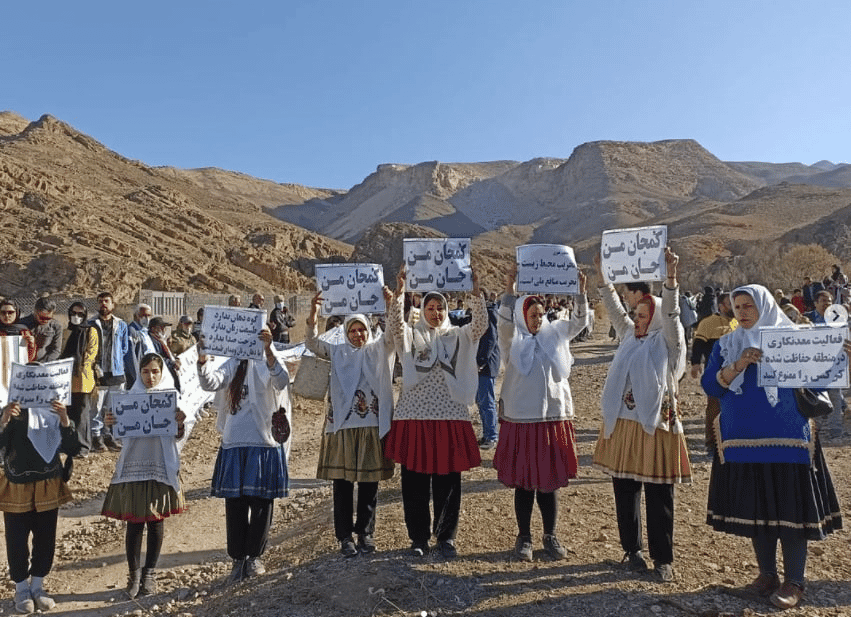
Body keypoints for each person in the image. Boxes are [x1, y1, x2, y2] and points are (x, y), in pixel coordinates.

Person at [701, 285, 844, 609]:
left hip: (788, 438)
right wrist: (738, 365)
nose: (742, 311)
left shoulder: (792, 339)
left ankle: (795, 581)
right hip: (742, 439)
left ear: (763, 305)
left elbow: (819, 382)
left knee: (790, 511)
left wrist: (839, 354)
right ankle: (767, 576)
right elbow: (710, 385)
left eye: (748, 305)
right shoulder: (727, 344)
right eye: (737, 306)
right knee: (758, 510)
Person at [592, 248, 690, 582]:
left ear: (657, 318)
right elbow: (617, 311)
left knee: (659, 492)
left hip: (656, 425)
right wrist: (603, 279)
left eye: (646, 315)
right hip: (623, 423)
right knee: (625, 489)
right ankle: (632, 551)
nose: (639, 320)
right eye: (638, 315)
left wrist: (671, 280)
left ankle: (663, 559)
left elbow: (674, 316)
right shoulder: (629, 338)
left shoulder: (667, 343)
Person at [384, 266, 485, 558]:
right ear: (422, 309)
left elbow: (480, 325)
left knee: (448, 481)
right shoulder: (411, 336)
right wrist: (400, 292)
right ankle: (417, 539)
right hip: (414, 417)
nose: (436, 312)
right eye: (430, 307)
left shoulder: (457, 336)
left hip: (450, 416)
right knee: (414, 482)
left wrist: (476, 291)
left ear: (447, 309)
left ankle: (446, 538)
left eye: (440, 307)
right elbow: (395, 327)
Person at [494, 266, 589, 561]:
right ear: (524, 316)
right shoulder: (513, 340)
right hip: (522, 421)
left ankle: (550, 535)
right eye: (531, 315)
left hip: (553, 419)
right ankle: (524, 536)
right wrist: (510, 288)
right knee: (524, 484)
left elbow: (579, 322)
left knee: (548, 485)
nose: (536, 319)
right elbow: (503, 321)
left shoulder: (556, 334)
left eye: (539, 314)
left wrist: (581, 293)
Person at [198, 327, 289, 583]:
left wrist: (269, 350)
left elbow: (281, 381)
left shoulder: (268, 360)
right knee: (235, 504)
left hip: (263, 441)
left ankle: (254, 557)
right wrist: (203, 361)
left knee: (261, 503)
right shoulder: (232, 363)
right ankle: (238, 559)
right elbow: (210, 383)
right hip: (234, 442)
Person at [305, 300, 396, 557]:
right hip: (343, 427)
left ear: (369, 331)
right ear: (346, 332)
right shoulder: (336, 351)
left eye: (362, 330)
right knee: (342, 485)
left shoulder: (378, 350)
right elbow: (312, 344)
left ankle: (365, 533)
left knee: (369, 485)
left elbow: (392, 334)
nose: (358, 335)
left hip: (370, 426)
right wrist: (313, 313)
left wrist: (392, 302)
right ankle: (344, 536)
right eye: (353, 330)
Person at [102, 353, 187, 598]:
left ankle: (150, 573)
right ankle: (134, 574)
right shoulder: (127, 399)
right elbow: (120, 438)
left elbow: (178, 436)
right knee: (135, 524)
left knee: (156, 521)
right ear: (139, 373)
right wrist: (112, 423)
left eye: (155, 371)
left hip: (160, 465)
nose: (151, 377)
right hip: (133, 466)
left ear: (162, 373)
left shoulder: (172, 399)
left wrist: (180, 424)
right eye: (146, 371)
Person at [0, 398, 81, 613]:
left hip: (48, 483)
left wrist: (64, 418)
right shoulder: (12, 411)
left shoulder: (54, 412)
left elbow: (74, 447)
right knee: (16, 537)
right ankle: (21, 588)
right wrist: (5, 419)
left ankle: (37, 586)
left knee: (46, 536)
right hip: (17, 484)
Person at [59, 301, 99, 456]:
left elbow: (91, 353)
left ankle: (83, 447)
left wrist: (78, 367)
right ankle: (68, 445)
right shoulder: (66, 331)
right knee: (66, 414)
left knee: (82, 415)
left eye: (80, 314)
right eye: (73, 313)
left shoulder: (91, 331)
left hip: (83, 379)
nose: (76, 317)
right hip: (65, 380)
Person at [20, 297, 62, 362]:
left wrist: (41, 363)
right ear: (35, 311)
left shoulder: (56, 326)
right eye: (42, 317)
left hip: (43, 365)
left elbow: (56, 350)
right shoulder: (22, 323)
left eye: (48, 318)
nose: (45, 321)